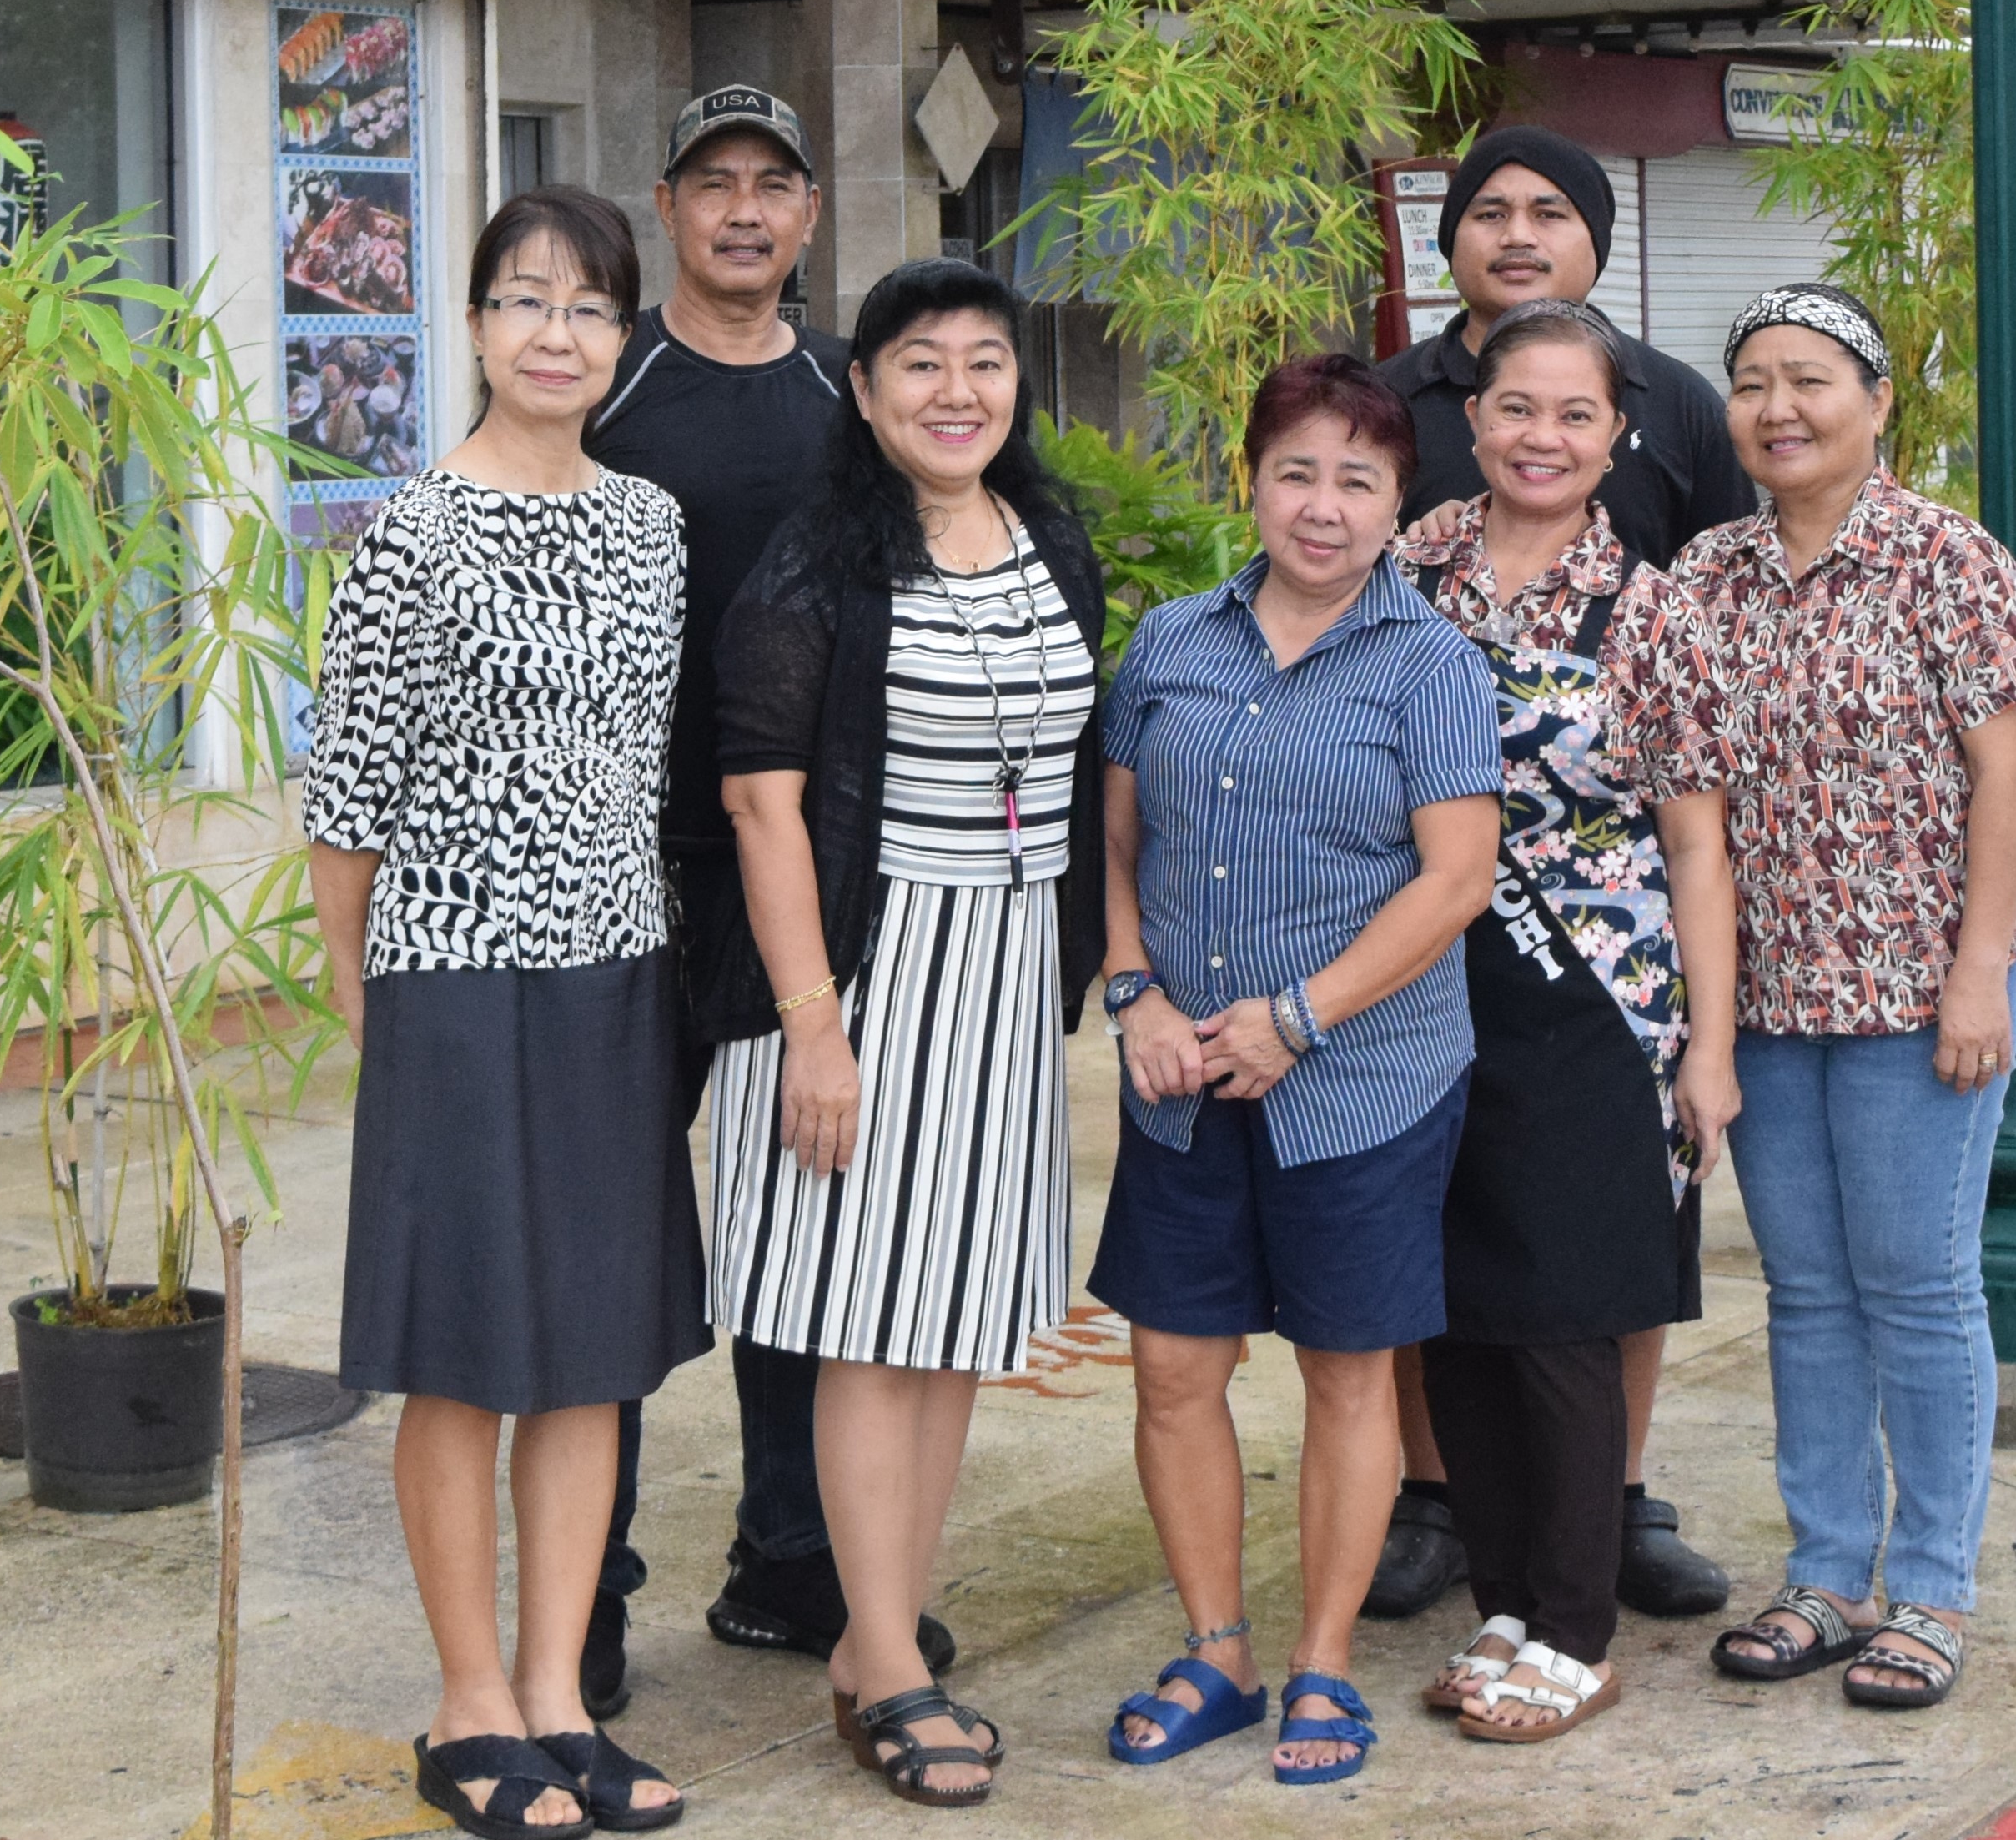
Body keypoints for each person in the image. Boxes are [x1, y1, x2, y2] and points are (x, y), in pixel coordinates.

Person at [305, 189, 704, 1839]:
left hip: (616, 972)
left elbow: (646, 763)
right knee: (463, 1356)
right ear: (471, 326)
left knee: (593, 1358)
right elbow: (347, 797)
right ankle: (468, 1701)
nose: (560, 332)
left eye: (593, 307)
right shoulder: (411, 530)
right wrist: (365, 1008)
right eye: (528, 299)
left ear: (624, 339)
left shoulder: (654, 524)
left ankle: (557, 1693)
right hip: (454, 978)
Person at [708, 259, 1112, 1806]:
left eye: (985, 362)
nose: (958, 391)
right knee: (869, 1323)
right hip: (867, 979)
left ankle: (879, 1638)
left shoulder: (1046, 536)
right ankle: (884, 1653)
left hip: (1006, 974)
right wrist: (813, 1025)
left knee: (952, 1325)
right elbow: (762, 803)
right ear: (863, 391)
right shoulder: (820, 558)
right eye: (920, 364)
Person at [577, 89, 955, 1716]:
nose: (743, 210)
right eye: (713, 183)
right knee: (607, 1225)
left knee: (810, 1217)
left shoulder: (842, 391)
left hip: (807, 867)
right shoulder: (613, 384)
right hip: (631, 865)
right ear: (666, 205)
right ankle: (585, 1588)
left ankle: (792, 1559)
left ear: (809, 216)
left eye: (773, 186)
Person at [1087, 353, 1503, 1788]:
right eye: (1295, 471)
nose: (1320, 507)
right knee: (1171, 1365)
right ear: (1249, 478)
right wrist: (1133, 987)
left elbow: (1454, 882)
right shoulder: (1170, 643)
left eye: (1357, 479)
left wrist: (1293, 1019)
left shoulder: (1431, 662)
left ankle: (1324, 1660)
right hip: (1179, 1067)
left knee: (1346, 1370)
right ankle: (1218, 1647)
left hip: (1363, 1077)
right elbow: (1118, 839)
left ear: (1399, 504)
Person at [1370, 122, 1752, 1622]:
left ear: (1616, 433)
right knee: (1451, 1268)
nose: (1539, 433)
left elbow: (1696, 839)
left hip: (1598, 974)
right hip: (1415, 957)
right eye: (1512, 408)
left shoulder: (1655, 606)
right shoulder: (1408, 566)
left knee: (1591, 1278)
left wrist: (1709, 1045)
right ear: (1473, 417)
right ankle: (1474, 1545)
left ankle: (1578, 1584)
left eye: (1571, 414)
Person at [1667, 282, 2016, 1717]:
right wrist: (1709, 1032)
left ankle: (1932, 1585)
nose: (1779, 405)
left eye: (1811, 378)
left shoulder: (1948, 561)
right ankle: (1827, 1570)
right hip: (1766, 996)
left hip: (1913, 992)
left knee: (1920, 1286)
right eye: (1753, 379)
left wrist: (1976, 968)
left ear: (1876, 401)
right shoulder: (1705, 576)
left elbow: (2007, 772)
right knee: (1807, 1292)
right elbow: (1691, 814)